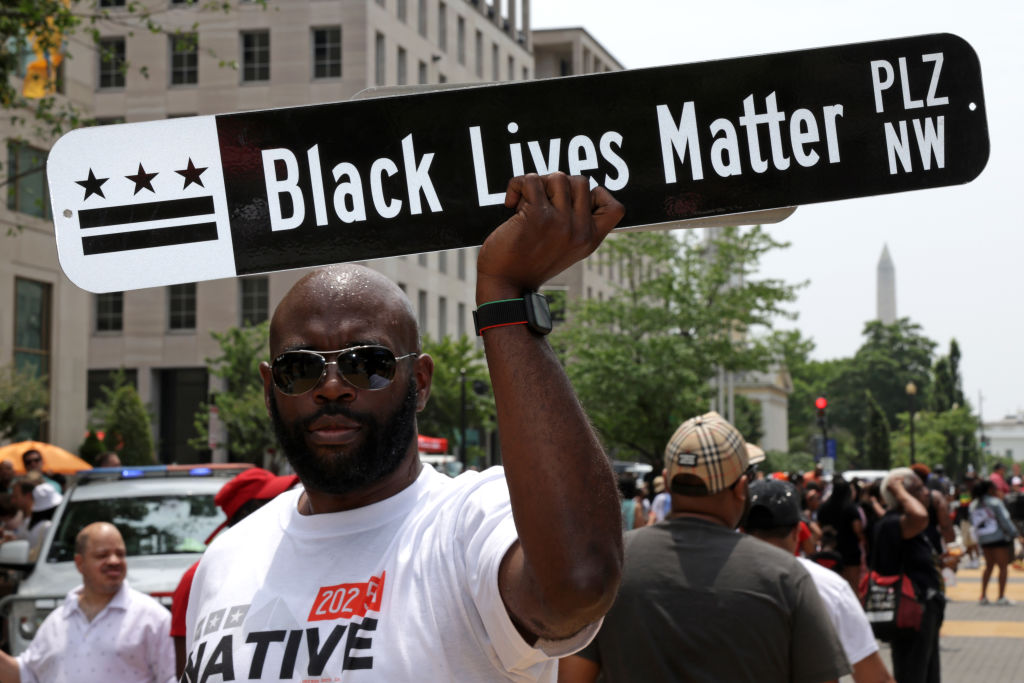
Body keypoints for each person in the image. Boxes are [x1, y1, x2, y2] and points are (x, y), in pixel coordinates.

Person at [183, 173, 625, 682]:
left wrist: (506, 294)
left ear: (419, 381)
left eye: (366, 363)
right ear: (269, 388)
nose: (331, 387)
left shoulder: (470, 525)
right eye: (300, 368)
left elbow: (578, 583)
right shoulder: (226, 559)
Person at [558, 411, 849, 683]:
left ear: (669, 486)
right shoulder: (785, 575)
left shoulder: (613, 562)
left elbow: (570, 676)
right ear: (741, 488)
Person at [744, 479, 895, 683]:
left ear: (741, 531)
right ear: (798, 532)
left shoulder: (713, 580)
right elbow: (875, 679)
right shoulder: (829, 586)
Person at [0, 522, 175, 683]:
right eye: (102, 555)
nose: (114, 561)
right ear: (80, 563)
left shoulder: (152, 618)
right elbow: (27, 674)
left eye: (120, 554)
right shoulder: (58, 621)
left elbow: (171, 677)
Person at [169, 467, 299, 678]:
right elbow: (187, 667)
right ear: (246, 513)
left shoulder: (283, 563)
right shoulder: (201, 575)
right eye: (273, 499)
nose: (285, 503)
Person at [873, 468, 943, 683]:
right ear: (906, 495)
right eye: (921, 489)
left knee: (928, 673)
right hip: (910, 611)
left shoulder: (901, 521)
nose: (927, 493)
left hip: (923, 608)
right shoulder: (892, 522)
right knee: (912, 673)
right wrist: (897, 489)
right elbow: (920, 517)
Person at [969, 479, 1021, 605]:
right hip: (998, 538)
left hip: (984, 539)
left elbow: (972, 522)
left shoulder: (973, 504)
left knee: (988, 566)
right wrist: (1015, 533)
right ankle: (1001, 596)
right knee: (1003, 567)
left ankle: (983, 596)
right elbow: (1005, 520)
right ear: (989, 489)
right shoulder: (995, 502)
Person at [818, 475, 866, 593]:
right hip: (850, 552)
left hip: (830, 552)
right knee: (853, 587)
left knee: (831, 588)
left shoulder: (824, 507)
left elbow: (820, 527)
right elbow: (857, 530)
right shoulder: (851, 508)